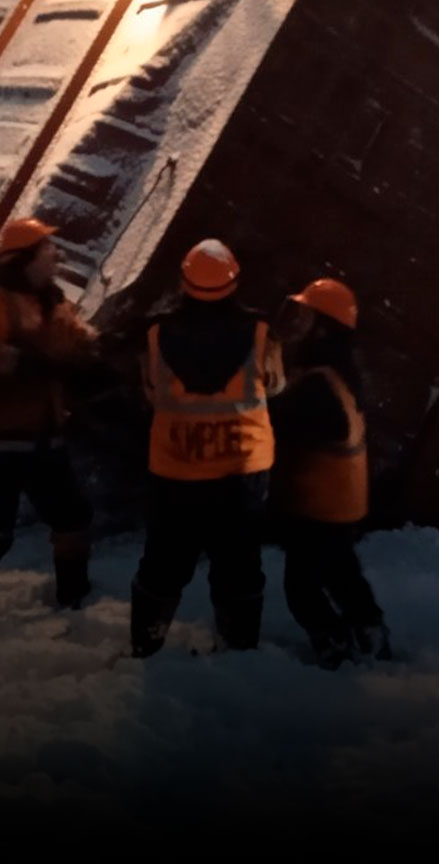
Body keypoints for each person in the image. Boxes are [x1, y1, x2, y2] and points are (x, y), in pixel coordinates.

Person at [131, 239, 284, 658]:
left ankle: (147, 643)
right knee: (239, 566)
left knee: (162, 563)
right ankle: (238, 648)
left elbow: (150, 391)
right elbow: (275, 385)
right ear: (234, 281)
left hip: (176, 472)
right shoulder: (262, 333)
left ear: (184, 281)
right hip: (241, 474)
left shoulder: (155, 335)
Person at [0, 217, 99, 632]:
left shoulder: (51, 302)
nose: (57, 256)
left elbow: (77, 340)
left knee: (73, 517)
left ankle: (74, 597)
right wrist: (33, 364)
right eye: (48, 249)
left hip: (42, 437)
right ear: (25, 259)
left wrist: (100, 348)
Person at [271, 278, 390, 669]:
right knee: (343, 577)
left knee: (301, 590)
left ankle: (335, 651)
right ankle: (371, 636)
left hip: (318, 510)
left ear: (323, 327)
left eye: (306, 316)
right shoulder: (340, 376)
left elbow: (276, 424)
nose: (298, 323)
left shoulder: (318, 386)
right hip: (341, 508)